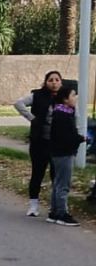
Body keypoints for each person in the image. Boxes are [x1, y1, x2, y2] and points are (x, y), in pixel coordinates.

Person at [14, 70, 62, 217]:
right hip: (39, 142)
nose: (54, 83)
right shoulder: (37, 96)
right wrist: (32, 118)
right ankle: (33, 206)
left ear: (61, 82)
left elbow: (75, 114)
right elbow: (18, 103)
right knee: (37, 173)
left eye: (57, 80)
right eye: (50, 80)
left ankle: (55, 206)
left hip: (57, 143)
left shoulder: (65, 97)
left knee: (57, 176)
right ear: (45, 82)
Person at [48, 85, 85, 226]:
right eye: (73, 95)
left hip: (58, 152)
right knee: (63, 184)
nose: (75, 99)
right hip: (63, 153)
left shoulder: (62, 113)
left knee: (57, 182)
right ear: (65, 99)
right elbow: (66, 137)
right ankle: (62, 213)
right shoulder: (63, 116)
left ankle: (54, 211)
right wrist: (81, 139)